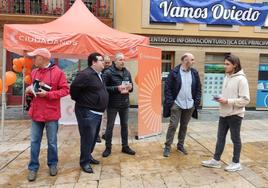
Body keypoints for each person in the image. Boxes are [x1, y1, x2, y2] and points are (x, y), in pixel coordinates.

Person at [25, 48, 69, 181]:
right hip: (36, 112)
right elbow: (33, 89)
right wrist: (29, 90)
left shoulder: (58, 73)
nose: (33, 60)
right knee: (34, 142)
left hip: (51, 114)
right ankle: (33, 167)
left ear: (43, 58)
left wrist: (48, 94)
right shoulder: (34, 72)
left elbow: (65, 90)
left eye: (35, 57)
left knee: (52, 142)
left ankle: (53, 164)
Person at [202, 54, 250, 172]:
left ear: (235, 65)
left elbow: (245, 100)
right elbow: (228, 95)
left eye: (227, 64)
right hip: (223, 113)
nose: (225, 66)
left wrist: (227, 101)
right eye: (225, 64)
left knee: (235, 139)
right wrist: (220, 98)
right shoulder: (227, 77)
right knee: (220, 138)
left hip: (235, 115)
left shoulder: (242, 79)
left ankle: (236, 162)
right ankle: (216, 160)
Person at [70, 52, 108, 173]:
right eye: (101, 60)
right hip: (87, 112)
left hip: (97, 112)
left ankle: (88, 156)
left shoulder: (99, 74)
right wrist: (82, 101)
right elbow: (74, 89)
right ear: (94, 62)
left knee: (93, 138)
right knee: (87, 137)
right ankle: (84, 162)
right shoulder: (85, 74)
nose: (103, 62)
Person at [163, 53, 201, 157]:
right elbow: (167, 88)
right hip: (177, 104)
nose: (193, 62)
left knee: (184, 126)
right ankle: (167, 146)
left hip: (189, 105)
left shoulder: (194, 73)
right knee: (173, 125)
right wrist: (171, 103)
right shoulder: (174, 72)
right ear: (185, 60)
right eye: (192, 60)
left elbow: (198, 88)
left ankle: (180, 145)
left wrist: (196, 102)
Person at [102, 52, 136, 157]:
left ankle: (125, 146)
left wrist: (130, 88)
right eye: (120, 60)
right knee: (110, 127)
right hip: (112, 104)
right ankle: (108, 148)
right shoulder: (108, 72)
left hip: (125, 104)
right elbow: (103, 88)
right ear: (115, 61)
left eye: (123, 60)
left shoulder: (127, 72)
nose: (123, 62)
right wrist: (117, 88)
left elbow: (131, 88)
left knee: (125, 126)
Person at [96, 54, 112, 143]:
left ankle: (104, 133)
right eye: (105, 62)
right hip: (99, 98)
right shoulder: (98, 72)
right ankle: (96, 135)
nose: (107, 64)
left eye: (108, 62)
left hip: (109, 98)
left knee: (106, 117)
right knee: (98, 117)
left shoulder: (112, 72)